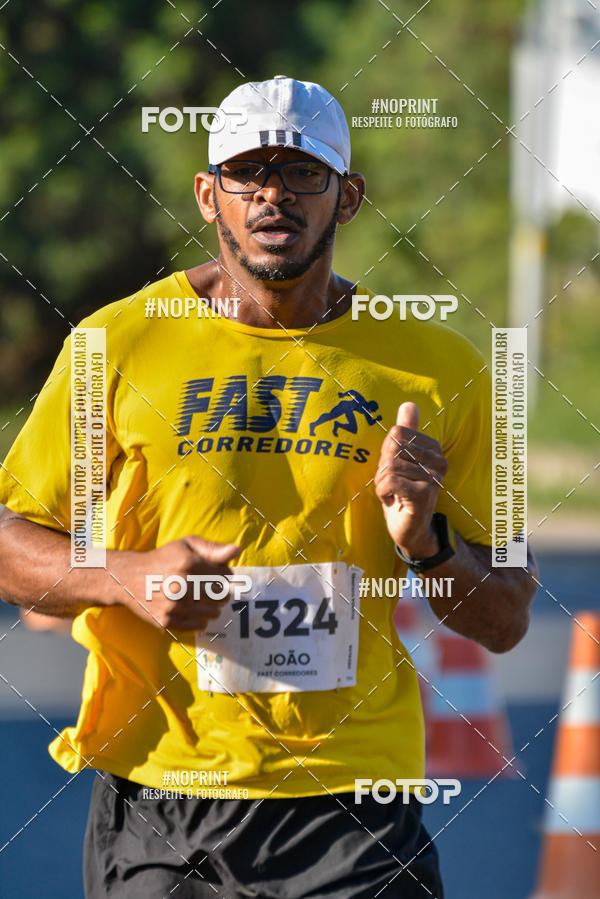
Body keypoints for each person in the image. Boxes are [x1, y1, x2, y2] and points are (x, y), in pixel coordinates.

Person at [0, 76, 537, 898]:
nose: (273, 195)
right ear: (208, 195)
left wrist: (427, 543)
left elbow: (504, 619)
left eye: (303, 173)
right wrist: (126, 578)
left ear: (348, 197)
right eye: (249, 173)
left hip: (354, 802)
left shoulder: (442, 370)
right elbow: (11, 546)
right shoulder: (113, 345)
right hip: (162, 795)